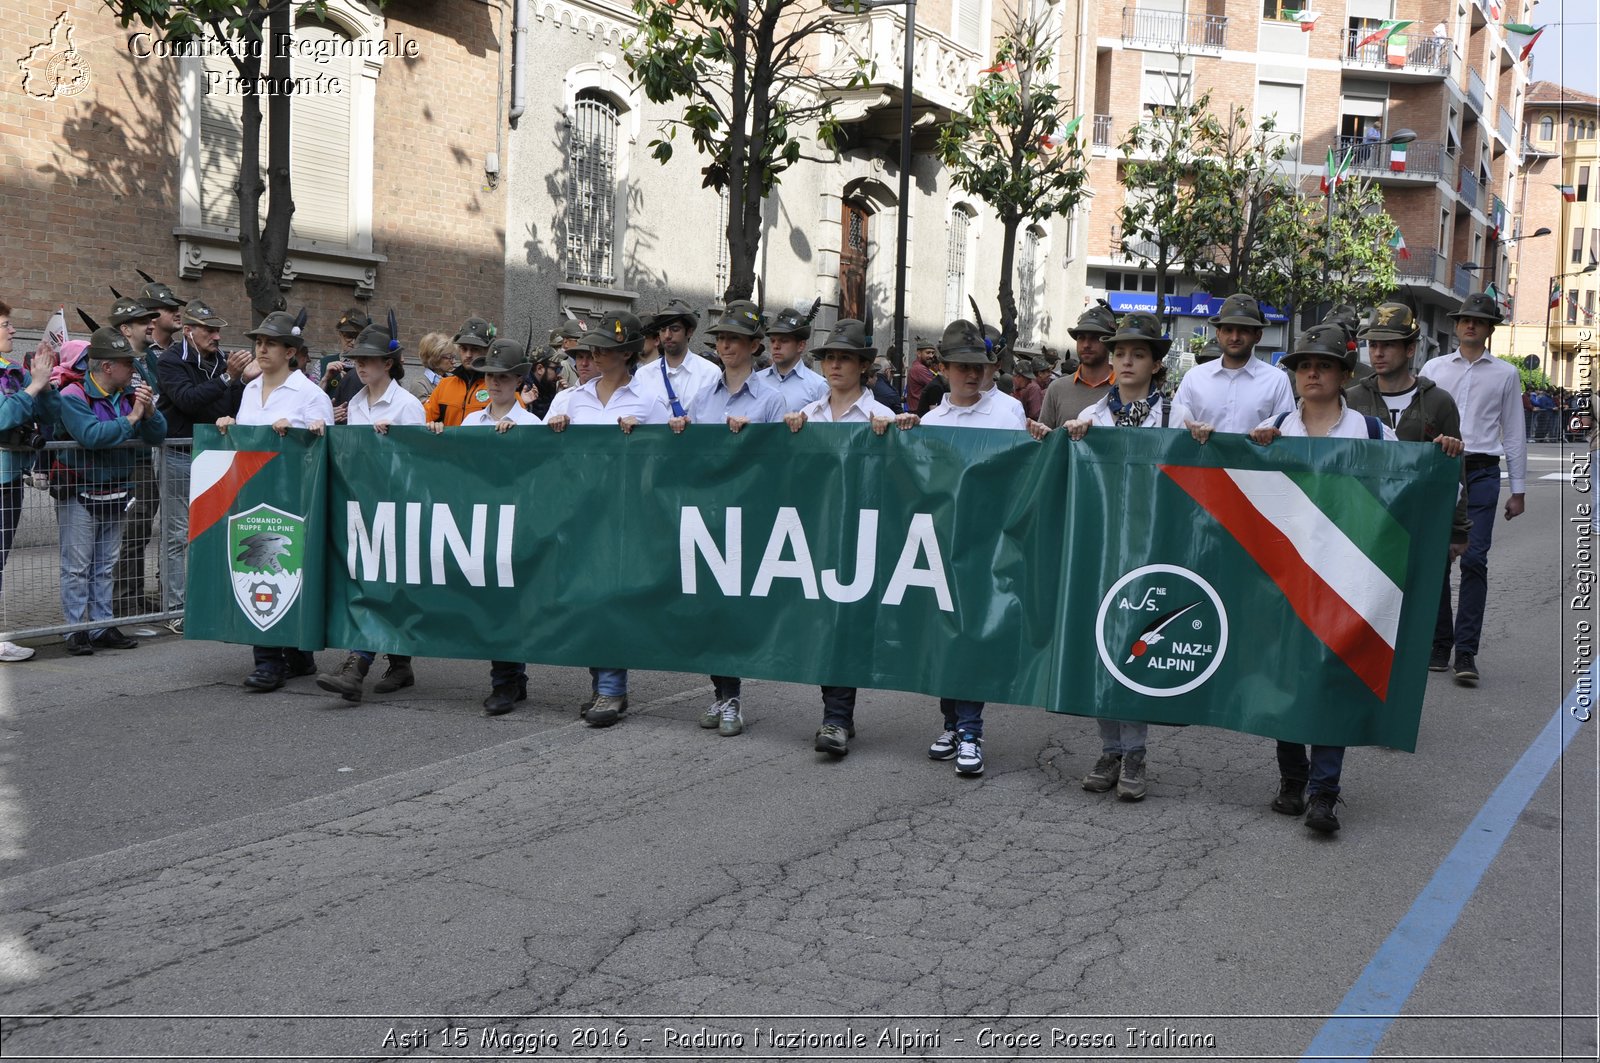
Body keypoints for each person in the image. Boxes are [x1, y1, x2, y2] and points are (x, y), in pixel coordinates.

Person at [1040, 311, 1207, 801]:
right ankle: (1110, 747)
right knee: (1102, 646)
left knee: (1137, 646)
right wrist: (1060, 441)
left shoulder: (1176, 417)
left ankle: (1135, 751)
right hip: (1099, 545)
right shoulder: (1091, 419)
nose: (1127, 361)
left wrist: (1199, 441)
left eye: (1138, 354)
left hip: (1153, 547)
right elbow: (1062, 474)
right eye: (1121, 353)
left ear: (1157, 363)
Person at [1248, 324, 1400, 834]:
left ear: (1342, 375)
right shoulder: (1271, 430)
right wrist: (1253, 451)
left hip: (1346, 576)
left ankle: (1324, 793)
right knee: (1287, 682)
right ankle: (1292, 779)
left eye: (1324, 365)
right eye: (1303, 365)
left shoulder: (1372, 433)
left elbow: (1406, 486)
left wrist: (1444, 452)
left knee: (1332, 681)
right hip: (1284, 578)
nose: (1312, 372)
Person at [908, 319, 1028, 777]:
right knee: (944, 633)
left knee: (971, 634)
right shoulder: (932, 420)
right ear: (943, 368)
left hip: (987, 544)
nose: (971, 375)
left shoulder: (1007, 413)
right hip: (939, 544)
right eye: (961, 367)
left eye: (978, 366)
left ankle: (972, 731)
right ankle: (952, 724)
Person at [781, 319, 906, 756]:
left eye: (844, 358)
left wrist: (896, 438)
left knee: (846, 624)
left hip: (864, 536)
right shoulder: (808, 416)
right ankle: (836, 714)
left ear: (862, 367)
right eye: (830, 357)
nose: (834, 365)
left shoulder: (883, 417)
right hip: (816, 534)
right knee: (823, 622)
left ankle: (836, 718)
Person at [547, 310, 672, 726]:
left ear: (627, 353)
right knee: (585, 599)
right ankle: (601, 682)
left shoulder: (649, 400)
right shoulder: (571, 398)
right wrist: (557, 428)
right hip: (579, 512)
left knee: (609, 597)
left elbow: (668, 461)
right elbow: (543, 458)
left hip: (624, 513)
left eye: (606, 348)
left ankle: (611, 690)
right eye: (594, 348)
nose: (596, 355)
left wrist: (646, 439)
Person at [669, 300, 787, 737]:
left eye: (735, 339)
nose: (726, 345)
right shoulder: (703, 396)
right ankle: (722, 694)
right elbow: (692, 459)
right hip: (709, 515)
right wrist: (681, 432)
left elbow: (779, 463)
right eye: (721, 339)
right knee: (711, 610)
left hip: (748, 516)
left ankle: (732, 696)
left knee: (736, 609)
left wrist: (751, 442)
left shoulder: (772, 400)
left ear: (755, 346)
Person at [216, 310, 332, 692]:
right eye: (259, 343)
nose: (261, 349)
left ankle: (297, 652)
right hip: (254, 496)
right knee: (258, 567)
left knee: (290, 570)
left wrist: (300, 432)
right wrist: (229, 429)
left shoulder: (311, 394)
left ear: (291, 351)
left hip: (294, 500)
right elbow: (249, 440)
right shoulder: (250, 389)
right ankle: (268, 661)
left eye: (270, 344)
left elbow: (324, 448)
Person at [317, 320, 429, 702]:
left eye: (368, 360)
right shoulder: (357, 402)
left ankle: (358, 663)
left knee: (382, 582)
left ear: (388, 363)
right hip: (360, 505)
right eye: (357, 360)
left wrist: (394, 445)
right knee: (374, 582)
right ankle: (400, 664)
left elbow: (420, 463)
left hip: (396, 507)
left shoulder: (407, 405)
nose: (360, 367)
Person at [1419, 291, 1527, 686]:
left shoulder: (1505, 374)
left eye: (1478, 321)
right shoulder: (1433, 367)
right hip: (1440, 469)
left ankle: (1466, 652)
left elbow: (1514, 432)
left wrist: (1518, 489)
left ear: (1488, 329)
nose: (1469, 325)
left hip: (1481, 471)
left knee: (1474, 559)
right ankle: (1439, 644)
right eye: (1464, 319)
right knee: (1436, 560)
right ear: (1456, 324)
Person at [53, 327, 168, 655]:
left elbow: (157, 435)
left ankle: (102, 625)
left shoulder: (128, 396)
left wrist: (148, 412)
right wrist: (132, 418)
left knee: (105, 564)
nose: (132, 370)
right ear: (107, 367)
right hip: (80, 492)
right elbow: (92, 436)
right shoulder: (72, 396)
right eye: (127, 364)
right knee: (77, 566)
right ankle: (75, 630)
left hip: (116, 492)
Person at [154, 299, 255, 627]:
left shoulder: (225, 362)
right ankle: (177, 608)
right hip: (181, 456)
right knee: (179, 533)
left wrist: (244, 383)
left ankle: (213, 598)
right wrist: (228, 378)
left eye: (218, 330)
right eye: (209, 330)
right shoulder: (171, 360)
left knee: (218, 528)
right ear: (188, 331)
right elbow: (186, 400)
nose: (216, 336)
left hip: (217, 456)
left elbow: (235, 404)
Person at [1343, 300, 1469, 560]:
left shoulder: (1439, 401)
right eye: (1373, 344)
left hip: (1422, 523)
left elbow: (1456, 470)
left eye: (1388, 345)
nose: (1377, 353)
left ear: (1410, 348)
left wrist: (1457, 530)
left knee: (1431, 600)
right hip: (1365, 524)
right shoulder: (1351, 399)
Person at [0, 301, 59, 661]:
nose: (12, 330)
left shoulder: (10, 371)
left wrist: (45, 382)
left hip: (7, 479)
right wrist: (33, 385)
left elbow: (48, 415)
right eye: (5, 324)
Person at [107, 295, 164, 634]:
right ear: (126, 328)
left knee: (141, 530)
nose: (151, 326)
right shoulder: (117, 363)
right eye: (144, 323)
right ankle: (123, 603)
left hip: (145, 455)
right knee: (130, 531)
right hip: (128, 458)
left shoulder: (147, 360)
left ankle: (135, 596)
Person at [1173, 293, 1294, 432]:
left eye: (1244, 330)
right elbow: (1177, 427)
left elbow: (1286, 432)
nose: (1235, 337)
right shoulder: (1194, 378)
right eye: (1228, 330)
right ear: (1218, 334)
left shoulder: (1277, 380)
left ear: (1258, 336)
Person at [632, 298, 721, 416]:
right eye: (663, 330)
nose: (667, 335)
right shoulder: (643, 375)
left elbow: (714, 419)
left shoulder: (710, 373)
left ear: (689, 332)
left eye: (675, 329)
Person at [1039, 303, 1119, 427]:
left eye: (1095, 338)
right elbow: (1045, 441)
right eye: (1081, 338)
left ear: (1109, 343)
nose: (1086, 344)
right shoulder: (1057, 388)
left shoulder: (1125, 387)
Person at [755, 303, 828, 412]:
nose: (776, 346)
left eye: (784, 341)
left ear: (801, 346)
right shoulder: (756, 380)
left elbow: (824, 426)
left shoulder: (818, 386)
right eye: (773, 341)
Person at [424, 316, 495, 427]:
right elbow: (420, 420)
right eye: (464, 348)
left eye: (475, 349)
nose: (468, 355)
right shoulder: (444, 384)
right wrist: (433, 425)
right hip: (449, 445)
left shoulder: (498, 386)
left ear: (487, 350)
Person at [408, 331, 455, 403]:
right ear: (435, 358)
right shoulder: (419, 385)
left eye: (453, 357)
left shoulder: (451, 381)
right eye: (449, 357)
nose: (453, 362)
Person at [904, 336, 938, 414]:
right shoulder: (919, 369)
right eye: (928, 353)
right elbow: (936, 386)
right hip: (919, 412)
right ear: (919, 353)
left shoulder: (920, 367)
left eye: (933, 353)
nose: (931, 356)